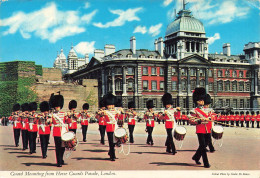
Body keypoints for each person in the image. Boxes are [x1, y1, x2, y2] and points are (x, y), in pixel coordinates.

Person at [190, 87, 211, 168]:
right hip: (200, 129)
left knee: (204, 145)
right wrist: (199, 121)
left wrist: (209, 118)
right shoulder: (194, 111)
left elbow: (213, 117)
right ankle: (206, 163)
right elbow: (191, 120)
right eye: (199, 100)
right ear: (196, 101)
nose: (201, 102)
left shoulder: (208, 110)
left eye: (202, 100)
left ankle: (196, 157)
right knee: (202, 146)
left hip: (207, 129)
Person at [50, 93, 67, 167]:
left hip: (63, 131)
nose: (57, 108)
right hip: (56, 131)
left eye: (59, 106)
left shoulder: (64, 114)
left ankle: (61, 158)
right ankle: (58, 162)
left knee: (63, 147)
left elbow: (68, 121)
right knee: (57, 147)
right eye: (56, 106)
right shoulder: (52, 115)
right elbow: (49, 121)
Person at [103, 93, 118, 161]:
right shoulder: (105, 112)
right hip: (109, 127)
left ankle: (110, 151)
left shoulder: (116, 111)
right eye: (109, 105)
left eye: (112, 105)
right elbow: (99, 116)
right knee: (111, 142)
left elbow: (120, 118)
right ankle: (113, 155)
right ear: (107, 105)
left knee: (114, 142)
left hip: (115, 127)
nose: (111, 106)